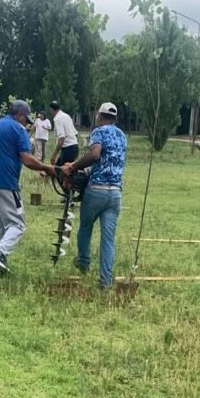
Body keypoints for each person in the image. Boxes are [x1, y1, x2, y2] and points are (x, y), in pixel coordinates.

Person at [0, 100, 55, 273]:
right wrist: (47, 168)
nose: (27, 123)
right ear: (19, 115)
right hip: (6, 184)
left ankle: (0, 267)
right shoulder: (18, 129)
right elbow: (26, 159)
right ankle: (0, 252)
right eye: (27, 120)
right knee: (17, 224)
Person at [63, 102, 127, 288]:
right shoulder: (122, 136)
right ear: (114, 118)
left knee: (85, 226)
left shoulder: (98, 132)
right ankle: (105, 281)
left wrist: (73, 167)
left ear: (99, 116)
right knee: (108, 239)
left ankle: (84, 262)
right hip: (115, 193)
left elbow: (96, 154)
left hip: (96, 190)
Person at [49, 101, 79, 167]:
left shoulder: (57, 119)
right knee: (57, 168)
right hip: (74, 146)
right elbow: (75, 133)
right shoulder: (67, 116)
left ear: (51, 110)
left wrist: (54, 155)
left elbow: (62, 138)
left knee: (63, 173)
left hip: (67, 149)